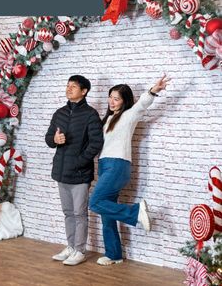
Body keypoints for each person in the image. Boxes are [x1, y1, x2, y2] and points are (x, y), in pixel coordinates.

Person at [89, 75, 170, 266]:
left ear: (125, 101)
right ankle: (114, 254)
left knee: (95, 202)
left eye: (116, 98)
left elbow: (142, 104)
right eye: (110, 97)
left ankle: (136, 212)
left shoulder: (128, 115)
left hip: (118, 165)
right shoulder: (108, 120)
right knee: (106, 213)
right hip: (104, 165)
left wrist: (153, 90)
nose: (111, 101)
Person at [45, 75, 103, 266]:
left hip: (79, 174)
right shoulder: (59, 113)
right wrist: (55, 140)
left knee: (79, 213)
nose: (69, 89)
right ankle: (70, 247)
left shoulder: (90, 115)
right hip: (61, 172)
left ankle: (80, 250)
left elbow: (96, 143)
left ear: (84, 91)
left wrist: (79, 161)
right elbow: (48, 138)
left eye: (74, 86)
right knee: (68, 212)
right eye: (67, 86)